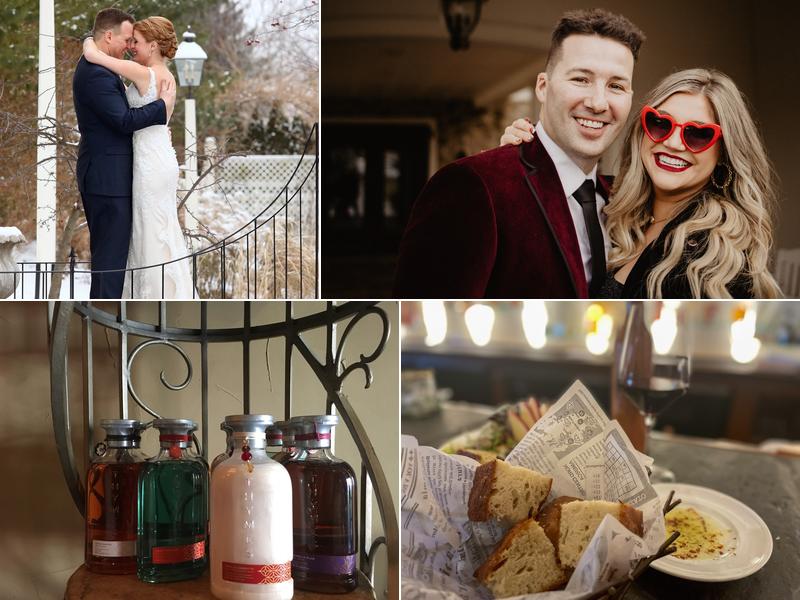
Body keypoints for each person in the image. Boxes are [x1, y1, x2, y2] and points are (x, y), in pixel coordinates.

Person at [393, 9, 646, 298]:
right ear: (543, 86)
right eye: (581, 79)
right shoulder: (474, 185)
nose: (598, 103)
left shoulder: (623, 201)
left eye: (616, 86)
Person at [502, 69, 782, 298]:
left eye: (697, 134)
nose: (672, 143)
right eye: (660, 124)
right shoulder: (608, 207)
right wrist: (517, 162)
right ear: (642, 131)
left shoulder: (713, 257)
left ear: (723, 154)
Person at [82, 16, 195, 299]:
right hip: (158, 156)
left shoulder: (145, 73)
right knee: (158, 228)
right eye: (129, 40)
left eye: (137, 42)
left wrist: (88, 41)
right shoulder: (164, 75)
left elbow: (95, 56)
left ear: (154, 45)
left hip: (150, 163)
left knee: (149, 230)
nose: (132, 47)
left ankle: (151, 295)